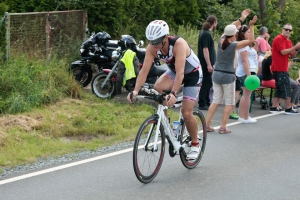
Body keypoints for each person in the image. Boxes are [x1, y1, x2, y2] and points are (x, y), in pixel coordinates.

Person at [127, 20, 203, 160]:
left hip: (192, 73)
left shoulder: (178, 44)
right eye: (151, 42)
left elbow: (181, 73)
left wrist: (173, 93)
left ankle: (195, 144)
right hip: (174, 72)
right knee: (158, 88)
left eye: (157, 42)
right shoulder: (152, 48)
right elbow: (144, 71)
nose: (154, 45)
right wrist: (135, 91)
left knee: (186, 113)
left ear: (166, 37)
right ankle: (166, 126)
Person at [206, 9, 258, 134]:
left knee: (216, 101)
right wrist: (251, 25)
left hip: (216, 74)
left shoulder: (221, 41)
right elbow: (251, 40)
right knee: (229, 102)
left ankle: (206, 124)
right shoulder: (234, 45)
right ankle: (223, 127)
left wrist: (241, 18)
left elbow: (231, 28)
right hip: (227, 76)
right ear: (234, 35)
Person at [270, 23, 300, 114]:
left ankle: (274, 107)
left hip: (283, 67)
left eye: (290, 30)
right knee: (286, 87)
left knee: (279, 88)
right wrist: (295, 47)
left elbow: (292, 54)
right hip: (278, 68)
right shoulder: (278, 39)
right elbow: (283, 52)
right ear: (282, 30)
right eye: (286, 29)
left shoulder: (288, 41)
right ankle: (288, 108)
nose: (288, 31)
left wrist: (297, 49)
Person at [235, 25, 258, 123]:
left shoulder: (247, 45)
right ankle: (245, 117)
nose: (250, 34)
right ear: (243, 34)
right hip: (246, 71)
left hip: (249, 70)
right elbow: (244, 61)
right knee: (247, 95)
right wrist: (249, 75)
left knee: (245, 94)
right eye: (248, 32)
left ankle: (242, 116)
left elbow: (252, 58)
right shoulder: (243, 45)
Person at [197, 15, 217, 110]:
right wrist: (209, 64)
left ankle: (206, 100)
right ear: (214, 23)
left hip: (206, 63)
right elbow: (205, 50)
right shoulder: (206, 34)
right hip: (205, 63)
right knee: (206, 82)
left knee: (208, 82)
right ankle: (202, 102)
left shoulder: (204, 33)